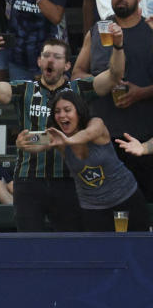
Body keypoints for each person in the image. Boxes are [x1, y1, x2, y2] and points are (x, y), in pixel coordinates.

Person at [0, 29, 125, 231]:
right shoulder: (24, 89)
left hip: (69, 180)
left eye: (57, 57)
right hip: (28, 180)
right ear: (39, 61)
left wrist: (118, 46)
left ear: (67, 65)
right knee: (29, 245)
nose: (50, 60)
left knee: (69, 246)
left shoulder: (80, 89)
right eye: (46, 55)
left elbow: (114, 75)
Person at [72, 0, 153, 200]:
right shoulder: (98, 30)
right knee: (106, 212)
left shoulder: (149, 31)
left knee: (143, 213)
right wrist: (99, 84)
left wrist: (141, 93)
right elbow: (77, 73)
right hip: (103, 140)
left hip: (143, 138)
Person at [33, 90, 149, 230]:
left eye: (67, 110)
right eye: (57, 111)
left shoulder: (96, 123)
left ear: (79, 112)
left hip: (125, 198)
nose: (62, 115)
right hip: (93, 208)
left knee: (136, 247)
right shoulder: (58, 136)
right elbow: (35, 140)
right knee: (100, 251)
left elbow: (88, 134)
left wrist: (68, 140)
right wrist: (22, 142)